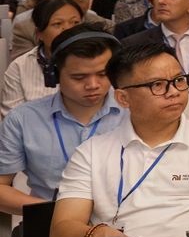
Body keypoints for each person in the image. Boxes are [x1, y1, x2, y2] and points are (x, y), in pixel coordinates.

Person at [51, 37, 189, 237]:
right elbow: (62, 232)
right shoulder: (91, 153)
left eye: (179, 80)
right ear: (123, 98)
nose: (174, 91)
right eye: (157, 85)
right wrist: (97, 235)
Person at [0, 26, 121, 215]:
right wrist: (57, 213)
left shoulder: (134, 112)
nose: (93, 85)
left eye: (103, 74)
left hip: (123, 220)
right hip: (49, 221)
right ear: (53, 74)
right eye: (79, 77)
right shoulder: (23, 119)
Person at [1, 0, 83, 117]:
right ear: (39, 33)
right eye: (57, 24)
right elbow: (13, 119)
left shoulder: (100, 61)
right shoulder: (19, 67)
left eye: (75, 22)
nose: (68, 29)